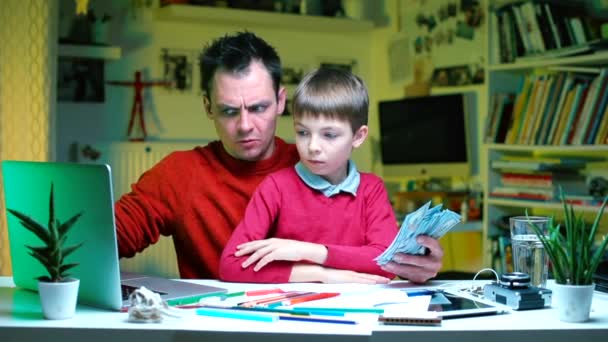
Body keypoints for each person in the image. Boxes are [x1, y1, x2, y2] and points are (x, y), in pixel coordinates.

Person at [114, 31, 443, 283]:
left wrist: (417, 260)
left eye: (258, 108)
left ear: (281, 101)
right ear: (207, 107)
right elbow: (107, 238)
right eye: (229, 111)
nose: (245, 126)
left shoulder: (317, 164)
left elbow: (377, 256)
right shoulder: (179, 174)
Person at [219, 67, 398, 284]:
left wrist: (308, 251)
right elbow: (230, 265)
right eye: (303, 133)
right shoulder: (276, 186)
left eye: (329, 135)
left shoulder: (371, 188)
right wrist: (321, 275)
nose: (312, 146)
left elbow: (388, 262)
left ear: (358, 136)